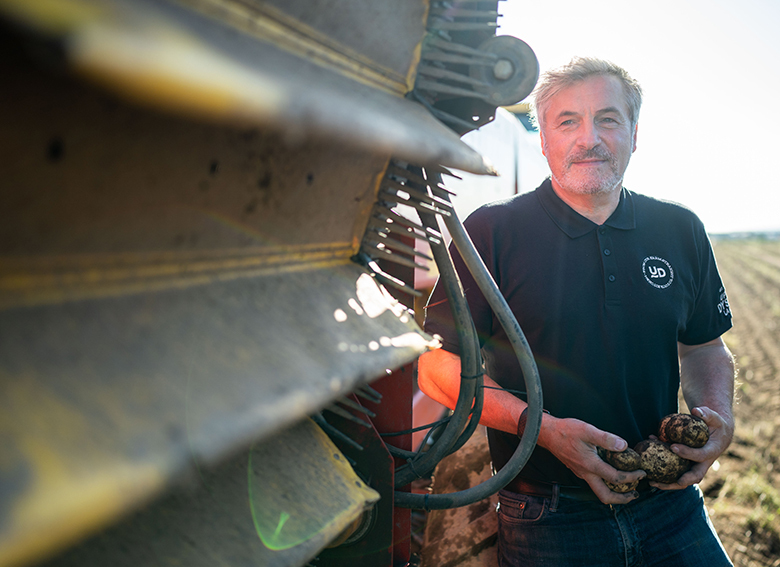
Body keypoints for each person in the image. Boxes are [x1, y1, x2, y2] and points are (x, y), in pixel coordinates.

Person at [418, 57, 736, 566]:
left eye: (608, 119)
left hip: (670, 506)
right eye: (568, 122)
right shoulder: (492, 232)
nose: (589, 138)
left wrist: (719, 417)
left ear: (634, 134)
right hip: (546, 517)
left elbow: (704, 348)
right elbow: (437, 368)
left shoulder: (680, 229)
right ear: (544, 140)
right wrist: (542, 429)